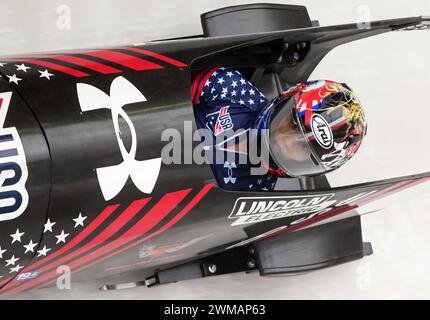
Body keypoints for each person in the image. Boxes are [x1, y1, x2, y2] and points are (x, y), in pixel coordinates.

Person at [192, 67, 367, 191]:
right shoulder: (231, 89)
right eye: (293, 124)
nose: (288, 141)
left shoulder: (252, 194)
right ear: (285, 101)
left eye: (304, 147)